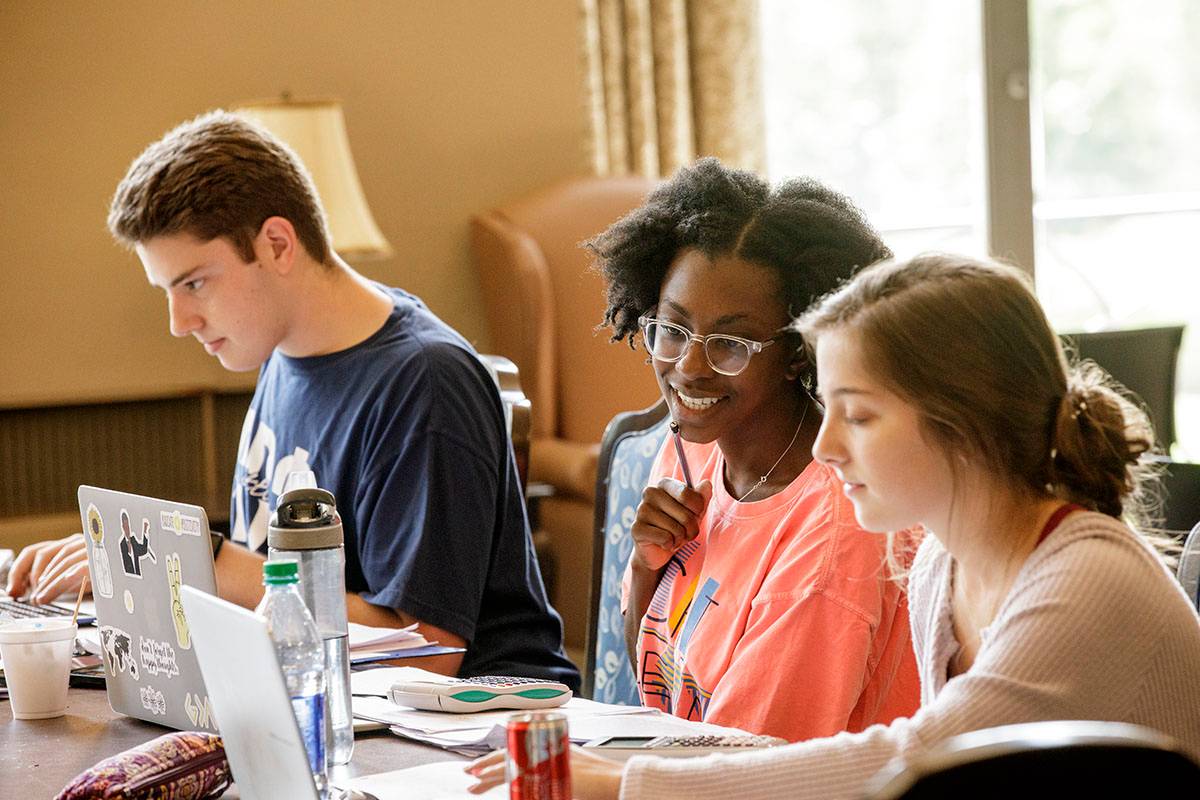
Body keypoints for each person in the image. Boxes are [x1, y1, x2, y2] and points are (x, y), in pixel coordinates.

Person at [468, 253, 1200, 798]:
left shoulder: (1083, 581)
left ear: (963, 425)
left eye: (859, 415)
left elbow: (920, 758)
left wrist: (627, 784)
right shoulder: (942, 564)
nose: (825, 446)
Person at [6, 111, 579, 689]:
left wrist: (192, 561)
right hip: (321, 703)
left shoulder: (426, 383)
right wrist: (139, 579)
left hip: (480, 732)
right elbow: (264, 601)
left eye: (194, 282)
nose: (179, 322)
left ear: (278, 244)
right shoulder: (281, 356)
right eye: (167, 291)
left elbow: (423, 652)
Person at [582, 158, 920, 741]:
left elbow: (746, 772)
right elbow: (661, 690)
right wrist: (645, 567)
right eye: (673, 329)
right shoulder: (694, 451)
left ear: (797, 352)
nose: (688, 368)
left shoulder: (836, 537)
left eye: (731, 343)